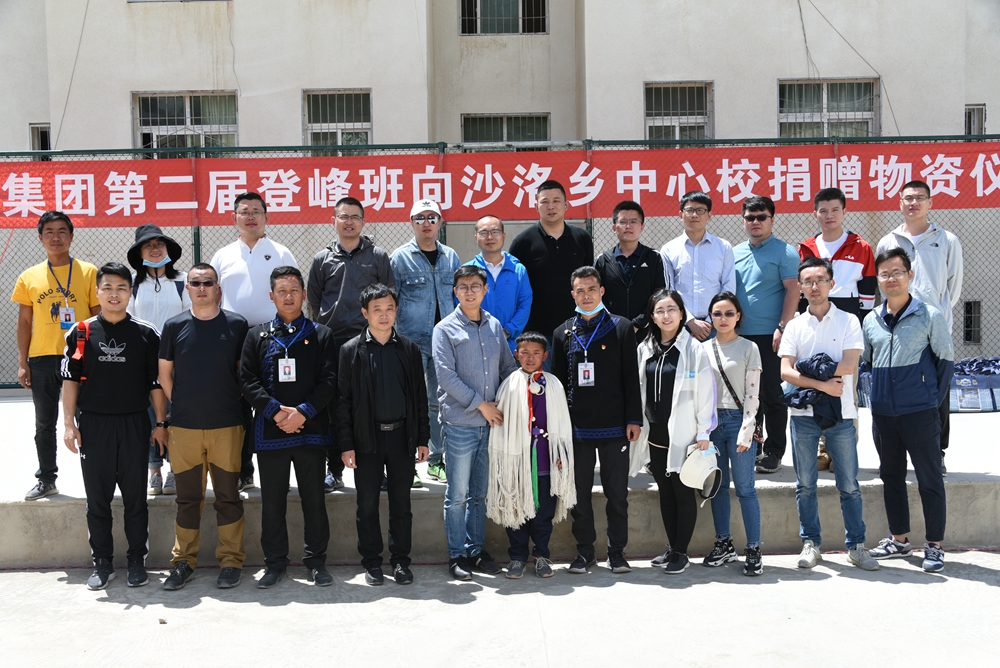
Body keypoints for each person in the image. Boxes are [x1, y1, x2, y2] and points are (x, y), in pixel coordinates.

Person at [61, 262, 168, 590]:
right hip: (94, 426)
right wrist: (69, 424)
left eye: (121, 288)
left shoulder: (146, 334)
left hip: (134, 424)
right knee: (98, 499)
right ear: (97, 292)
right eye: (107, 287)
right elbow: (70, 381)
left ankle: (137, 561)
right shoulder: (81, 332)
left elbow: (155, 384)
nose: (114, 294)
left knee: (136, 498)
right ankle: (103, 563)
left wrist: (160, 423)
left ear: (130, 292)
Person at [778, 257, 878, 571]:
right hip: (803, 415)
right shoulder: (794, 325)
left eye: (820, 280)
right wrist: (823, 384)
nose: (814, 286)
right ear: (800, 287)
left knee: (849, 485)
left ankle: (857, 546)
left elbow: (849, 365)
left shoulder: (849, 321)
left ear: (831, 284)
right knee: (805, 485)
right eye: (808, 281)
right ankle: (811, 544)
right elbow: (785, 371)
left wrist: (807, 371)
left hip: (842, 413)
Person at [241, 266, 338, 589]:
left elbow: (329, 380)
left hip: (311, 430)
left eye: (294, 290)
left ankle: (316, 562)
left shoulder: (321, 334)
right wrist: (275, 413)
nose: (288, 296)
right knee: (272, 503)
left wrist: (303, 413)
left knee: (314, 501)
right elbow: (247, 380)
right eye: (281, 291)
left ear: (304, 294)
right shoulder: (256, 335)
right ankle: (275, 563)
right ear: (271, 296)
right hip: (271, 432)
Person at [159, 263, 250, 590]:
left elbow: (243, 374)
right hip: (184, 429)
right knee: (188, 498)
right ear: (187, 288)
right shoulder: (174, 326)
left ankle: (231, 561)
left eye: (207, 283)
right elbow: (164, 375)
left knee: (228, 497)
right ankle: (183, 561)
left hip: (227, 426)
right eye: (195, 283)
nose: (201, 288)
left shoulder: (237, 325)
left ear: (217, 288)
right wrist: (183, 404)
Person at [863, 248, 953, 573]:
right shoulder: (871, 320)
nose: (892, 279)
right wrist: (874, 398)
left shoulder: (930, 315)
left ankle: (935, 545)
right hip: (884, 415)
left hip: (920, 413)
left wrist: (928, 400)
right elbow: (867, 363)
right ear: (878, 279)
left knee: (929, 479)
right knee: (891, 477)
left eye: (898, 272)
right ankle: (899, 540)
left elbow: (945, 364)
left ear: (910, 275)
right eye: (885, 274)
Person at [338, 284, 430, 586]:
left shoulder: (409, 349)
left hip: (402, 438)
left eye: (389, 308)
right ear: (365, 313)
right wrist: (346, 444)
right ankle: (372, 563)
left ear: (396, 311)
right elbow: (343, 402)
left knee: (401, 505)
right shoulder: (351, 351)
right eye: (377, 309)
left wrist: (422, 438)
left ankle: (400, 561)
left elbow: (420, 397)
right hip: (367, 440)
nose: (384, 314)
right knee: (367, 505)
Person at [552, 267, 641, 575]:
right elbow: (557, 386)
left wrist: (633, 419)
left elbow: (631, 377)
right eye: (580, 290)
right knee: (579, 495)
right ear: (572, 294)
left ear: (602, 291)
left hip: (616, 426)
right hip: (576, 429)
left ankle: (617, 553)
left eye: (591, 289)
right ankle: (585, 552)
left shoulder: (621, 327)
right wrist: (559, 429)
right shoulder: (562, 332)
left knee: (617, 495)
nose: (586, 295)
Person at [432, 265, 517, 580]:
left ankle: (475, 550)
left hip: (490, 425)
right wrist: (482, 405)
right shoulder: (444, 329)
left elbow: (507, 367)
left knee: (479, 494)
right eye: (463, 287)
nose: (470, 292)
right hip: (460, 424)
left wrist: (511, 399)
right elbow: (446, 377)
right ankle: (456, 555)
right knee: (457, 494)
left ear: (485, 290)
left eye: (475, 286)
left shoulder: (494, 326)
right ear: (455, 292)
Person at [211, 192, 298, 492]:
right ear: (233, 217)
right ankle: (243, 470)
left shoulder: (281, 252)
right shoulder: (222, 255)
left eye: (256, 211)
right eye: (244, 211)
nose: (250, 216)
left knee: (273, 401)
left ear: (266, 217)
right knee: (237, 405)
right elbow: (214, 298)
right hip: (232, 338)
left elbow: (293, 293)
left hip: (273, 338)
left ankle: (279, 472)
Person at [12, 210, 101, 500]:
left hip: (80, 356)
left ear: (72, 236)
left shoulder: (88, 272)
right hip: (41, 359)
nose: (56, 237)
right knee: (44, 424)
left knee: (89, 419)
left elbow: (98, 316)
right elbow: (24, 322)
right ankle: (47, 478)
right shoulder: (29, 276)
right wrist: (22, 362)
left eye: (62, 231)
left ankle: (97, 478)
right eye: (49, 232)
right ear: (40, 237)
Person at [310, 195, 396, 492]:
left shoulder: (378, 256)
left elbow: (388, 295)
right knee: (335, 405)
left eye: (355, 217)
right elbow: (314, 300)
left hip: (368, 340)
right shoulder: (322, 259)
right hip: (332, 341)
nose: (349, 222)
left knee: (372, 404)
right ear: (333, 220)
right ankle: (333, 470)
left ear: (363, 222)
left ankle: (376, 470)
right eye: (343, 216)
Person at [876, 180, 963, 472]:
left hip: (933, 328)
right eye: (908, 198)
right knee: (897, 388)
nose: (913, 203)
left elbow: (953, 286)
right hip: (899, 329)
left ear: (930, 202)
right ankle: (895, 453)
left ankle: (937, 451)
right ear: (900, 203)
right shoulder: (888, 242)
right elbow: (884, 283)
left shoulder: (947, 240)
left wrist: (936, 314)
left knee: (938, 391)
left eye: (919, 198)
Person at [630, 289, 716, 575]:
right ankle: (672, 547)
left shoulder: (693, 350)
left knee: (683, 493)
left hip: (685, 435)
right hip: (655, 435)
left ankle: (681, 552)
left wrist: (703, 431)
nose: (666, 316)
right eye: (660, 311)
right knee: (665, 493)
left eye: (672, 309)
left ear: (681, 314)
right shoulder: (645, 349)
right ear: (652, 317)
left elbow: (706, 393)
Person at [487, 332, 575, 579]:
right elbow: (501, 426)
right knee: (515, 510)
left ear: (545, 356)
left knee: (543, 514)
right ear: (516, 354)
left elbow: (563, 424)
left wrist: (563, 454)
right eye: (524, 353)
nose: (530, 358)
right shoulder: (509, 385)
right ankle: (517, 557)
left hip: (546, 461)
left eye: (536, 353)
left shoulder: (554, 385)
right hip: (517, 462)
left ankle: (541, 555)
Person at [391, 199, 459, 484]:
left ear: (440, 222)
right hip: (412, 342)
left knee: (438, 402)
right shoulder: (399, 258)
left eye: (432, 217)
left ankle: (436, 460)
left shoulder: (451, 256)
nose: (426, 223)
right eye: (420, 218)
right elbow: (392, 300)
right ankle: (407, 465)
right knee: (408, 402)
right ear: (411, 223)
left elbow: (457, 297)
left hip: (444, 342)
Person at [733, 195, 800, 474]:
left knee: (772, 395)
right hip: (739, 336)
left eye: (762, 217)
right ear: (743, 220)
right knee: (748, 396)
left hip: (771, 336)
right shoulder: (734, 252)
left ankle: (774, 451)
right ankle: (753, 446)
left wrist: (782, 327)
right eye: (750, 217)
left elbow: (793, 290)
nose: (755, 222)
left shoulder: (785, 252)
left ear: (772, 219)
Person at [125, 224, 191, 497]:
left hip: (177, 361)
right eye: (148, 246)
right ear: (140, 252)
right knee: (150, 415)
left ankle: (175, 469)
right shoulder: (132, 284)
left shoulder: (183, 281)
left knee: (176, 413)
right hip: (143, 361)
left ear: (168, 249)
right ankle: (154, 470)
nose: (155, 249)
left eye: (159, 244)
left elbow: (190, 319)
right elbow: (128, 321)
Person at [702, 292, 763, 576]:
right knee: (718, 488)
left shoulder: (749, 347)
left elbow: (753, 392)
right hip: (711, 423)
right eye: (717, 313)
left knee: (745, 488)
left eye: (729, 313)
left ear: (738, 316)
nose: (723, 319)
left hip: (739, 420)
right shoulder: (702, 349)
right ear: (710, 317)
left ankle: (753, 548)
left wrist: (747, 429)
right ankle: (723, 543)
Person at [509, 180, 594, 369]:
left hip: (576, 329)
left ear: (566, 205)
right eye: (545, 201)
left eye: (556, 201)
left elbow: (589, 282)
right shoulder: (523, 242)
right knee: (541, 385)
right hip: (537, 333)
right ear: (536, 206)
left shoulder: (582, 238)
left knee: (577, 383)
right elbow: (514, 289)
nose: (551, 206)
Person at [661, 191, 736, 341]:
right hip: (680, 326)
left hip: (715, 325)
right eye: (690, 210)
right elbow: (669, 290)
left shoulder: (723, 247)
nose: (694, 215)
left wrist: (711, 319)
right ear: (681, 215)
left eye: (700, 210)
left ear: (709, 215)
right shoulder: (668, 250)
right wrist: (689, 320)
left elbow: (728, 287)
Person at [798, 188, 877, 321]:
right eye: (823, 211)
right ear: (815, 214)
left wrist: (863, 319)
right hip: (812, 320)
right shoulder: (805, 248)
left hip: (849, 321)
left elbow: (868, 287)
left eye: (835, 210)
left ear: (844, 212)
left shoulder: (861, 247)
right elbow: (800, 288)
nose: (829, 216)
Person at [594, 200, 666, 340]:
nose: (628, 226)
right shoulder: (603, 260)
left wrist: (639, 323)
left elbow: (660, 294)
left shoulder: (654, 258)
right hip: (612, 331)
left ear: (642, 227)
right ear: (614, 227)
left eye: (633, 221)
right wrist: (615, 323)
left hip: (648, 332)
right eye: (623, 222)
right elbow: (596, 296)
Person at [466, 213, 532, 353]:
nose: (489, 237)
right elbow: (461, 306)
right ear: (476, 237)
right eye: (483, 233)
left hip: (511, 345)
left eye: (495, 232)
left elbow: (525, 305)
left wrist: (507, 331)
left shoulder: (518, 270)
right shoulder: (468, 271)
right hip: (477, 345)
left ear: (503, 235)